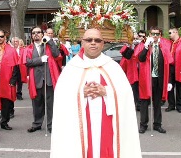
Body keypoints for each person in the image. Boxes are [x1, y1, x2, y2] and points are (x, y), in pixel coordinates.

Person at [50, 29, 142, 158]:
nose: (93, 43)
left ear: (103, 44)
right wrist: (79, 93)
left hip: (107, 124)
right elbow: (61, 97)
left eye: (97, 40)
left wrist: (107, 91)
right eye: (89, 40)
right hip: (80, 124)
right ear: (82, 43)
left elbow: (126, 95)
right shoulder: (72, 67)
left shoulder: (112, 66)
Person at [137, 26, 173, 134]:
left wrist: (169, 81)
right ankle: (143, 124)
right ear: (149, 35)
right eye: (153, 34)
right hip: (147, 79)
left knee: (157, 103)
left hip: (159, 79)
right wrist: (146, 46)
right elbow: (141, 58)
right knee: (144, 102)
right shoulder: (145, 46)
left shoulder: (164, 48)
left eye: (157, 34)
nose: (155, 36)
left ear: (160, 35)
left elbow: (168, 65)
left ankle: (157, 124)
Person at [24, 26, 60, 133]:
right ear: (31, 35)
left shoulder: (48, 46)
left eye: (38, 32)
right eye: (34, 32)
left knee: (50, 104)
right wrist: (40, 60)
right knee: (37, 104)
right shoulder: (29, 48)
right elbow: (27, 62)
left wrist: (50, 41)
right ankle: (37, 124)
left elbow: (57, 55)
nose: (36, 34)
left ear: (42, 34)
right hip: (36, 80)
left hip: (48, 79)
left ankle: (51, 125)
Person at [119, 30, 146, 112]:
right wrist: (131, 45)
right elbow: (125, 55)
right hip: (133, 70)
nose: (141, 37)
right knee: (134, 88)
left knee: (142, 88)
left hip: (142, 70)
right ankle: (136, 104)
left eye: (143, 36)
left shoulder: (145, 45)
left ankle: (141, 103)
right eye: (140, 35)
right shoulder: (131, 44)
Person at [11, 37, 27, 101]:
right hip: (12, 67)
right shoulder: (10, 49)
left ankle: (19, 94)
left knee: (20, 81)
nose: (15, 43)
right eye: (14, 41)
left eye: (16, 41)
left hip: (20, 67)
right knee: (13, 81)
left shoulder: (22, 49)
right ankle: (13, 94)